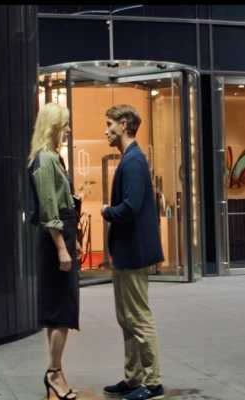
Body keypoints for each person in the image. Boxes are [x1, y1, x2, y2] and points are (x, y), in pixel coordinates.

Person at [100, 104, 165, 400]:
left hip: (134, 253)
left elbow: (131, 207)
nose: (106, 131)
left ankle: (152, 382)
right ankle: (134, 377)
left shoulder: (134, 161)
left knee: (138, 317)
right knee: (127, 318)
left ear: (124, 124)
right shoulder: (131, 159)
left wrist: (107, 211)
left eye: (109, 124)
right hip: (127, 252)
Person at [27, 102, 80, 400]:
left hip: (61, 236)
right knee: (63, 312)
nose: (68, 130)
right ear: (53, 127)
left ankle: (56, 372)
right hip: (56, 239)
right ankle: (54, 373)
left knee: (57, 311)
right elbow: (49, 210)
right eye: (65, 125)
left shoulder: (48, 158)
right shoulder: (46, 159)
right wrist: (62, 248)